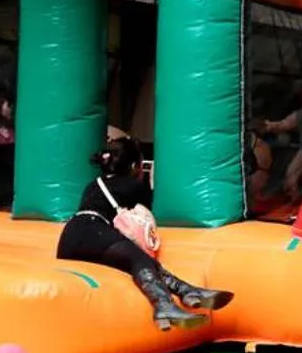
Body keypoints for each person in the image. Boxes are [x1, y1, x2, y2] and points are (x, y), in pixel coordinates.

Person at [57, 135, 233, 330]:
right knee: (139, 260)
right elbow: (154, 206)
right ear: (134, 166)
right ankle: (164, 304)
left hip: (70, 236)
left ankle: (188, 292)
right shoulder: (133, 186)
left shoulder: (93, 184)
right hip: (94, 230)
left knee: (136, 259)